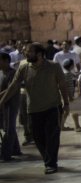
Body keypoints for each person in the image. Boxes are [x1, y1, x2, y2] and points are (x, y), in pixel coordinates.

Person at [0, 43, 70, 173]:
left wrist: (66, 103)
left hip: (52, 107)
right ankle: (48, 159)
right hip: (33, 108)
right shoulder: (23, 66)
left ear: (39, 54)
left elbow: (62, 85)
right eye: (26, 51)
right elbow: (14, 85)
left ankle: (51, 163)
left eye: (29, 51)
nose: (26, 53)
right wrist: (2, 102)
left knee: (52, 137)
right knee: (37, 137)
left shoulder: (53, 66)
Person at [0, 51, 22, 162]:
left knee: (9, 128)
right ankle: (16, 149)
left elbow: (10, 89)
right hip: (1, 104)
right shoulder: (0, 73)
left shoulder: (13, 73)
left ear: (6, 61)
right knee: (7, 127)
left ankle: (6, 154)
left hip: (10, 104)